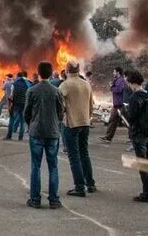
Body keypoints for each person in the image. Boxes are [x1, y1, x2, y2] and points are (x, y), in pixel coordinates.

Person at [24, 61, 64, 209]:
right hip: (53, 133)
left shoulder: (32, 91)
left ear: (38, 73)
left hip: (36, 132)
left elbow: (26, 113)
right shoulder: (56, 91)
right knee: (53, 166)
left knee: (36, 166)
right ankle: (54, 200)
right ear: (51, 72)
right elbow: (61, 112)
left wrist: (32, 123)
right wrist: (55, 122)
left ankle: (35, 200)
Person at [59, 61, 96, 197]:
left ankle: (79, 187)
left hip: (71, 124)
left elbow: (60, 104)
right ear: (78, 69)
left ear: (67, 70)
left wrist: (61, 116)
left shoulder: (65, 85)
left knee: (74, 156)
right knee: (84, 153)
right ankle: (90, 184)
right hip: (85, 122)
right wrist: (88, 117)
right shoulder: (86, 84)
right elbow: (91, 104)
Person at [126, 69, 148, 202]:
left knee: (142, 163)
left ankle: (146, 193)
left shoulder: (134, 97)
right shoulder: (147, 94)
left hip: (139, 133)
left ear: (132, 83)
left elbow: (132, 116)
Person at [99, 67, 126, 143]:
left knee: (127, 122)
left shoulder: (121, 80)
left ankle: (133, 139)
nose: (113, 73)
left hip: (120, 105)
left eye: (114, 72)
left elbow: (118, 90)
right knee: (112, 121)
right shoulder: (117, 80)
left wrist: (111, 86)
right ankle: (108, 137)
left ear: (118, 72)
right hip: (116, 105)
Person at [4, 71, 29, 141]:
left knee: (12, 119)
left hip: (15, 104)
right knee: (22, 121)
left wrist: (9, 105)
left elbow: (11, 96)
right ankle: (20, 137)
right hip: (24, 104)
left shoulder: (14, 84)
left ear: (18, 77)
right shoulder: (27, 84)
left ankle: (9, 136)